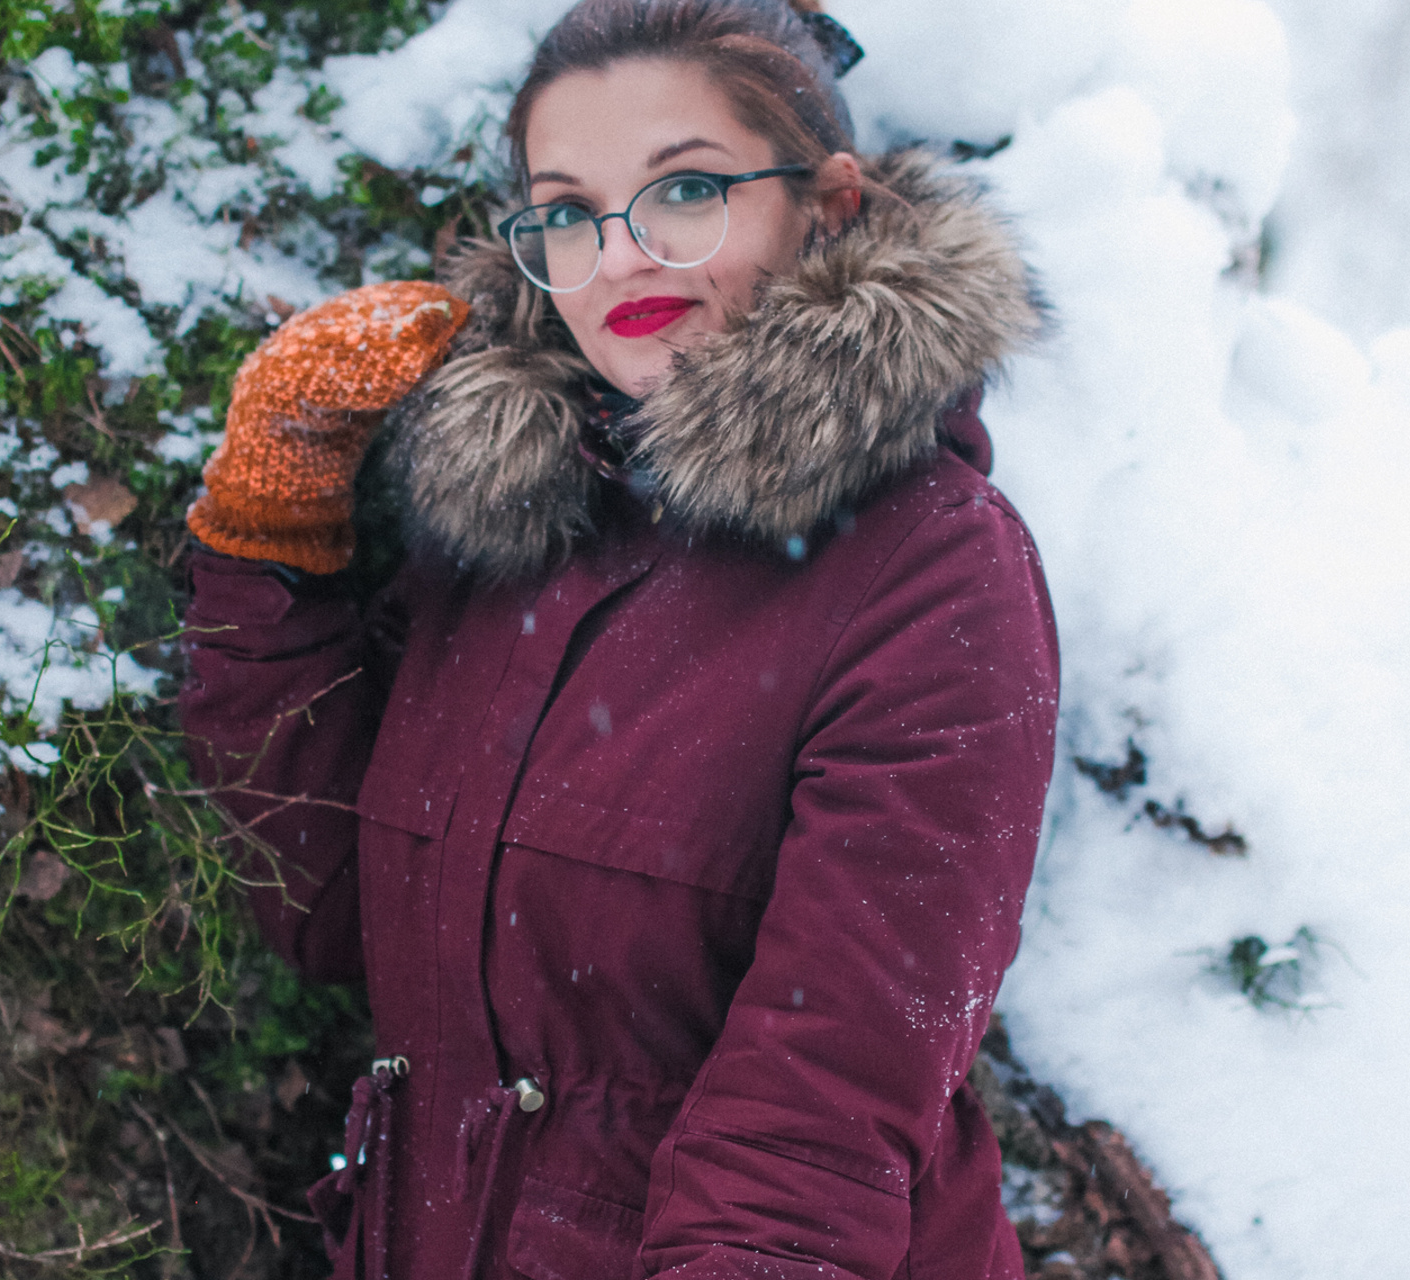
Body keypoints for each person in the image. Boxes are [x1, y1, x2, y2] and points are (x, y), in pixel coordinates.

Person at [178, 1, 1059, 1277]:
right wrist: (272, 534)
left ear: (829, 206)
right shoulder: (517, 522)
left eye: (686, 189)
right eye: (568, 213)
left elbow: (819, 1115)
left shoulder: (936, 570)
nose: (621, 259)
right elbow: (330, 910)